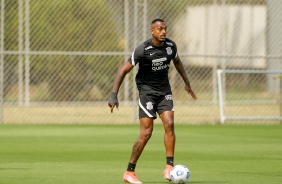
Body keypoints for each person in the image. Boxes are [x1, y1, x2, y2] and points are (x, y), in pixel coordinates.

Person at [108, 19, 197, 184]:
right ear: (152, 31)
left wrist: (187, 83)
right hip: (147, 93)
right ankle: (129, 172)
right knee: (146, 133)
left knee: (169, 124)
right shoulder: (143, 49)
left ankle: (169, 167)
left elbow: (178, 63)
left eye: (165, 29)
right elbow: (123, 70)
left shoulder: (171, 46)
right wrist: (114, 94)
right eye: (160, 29)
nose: (163, 32)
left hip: (164, 92)